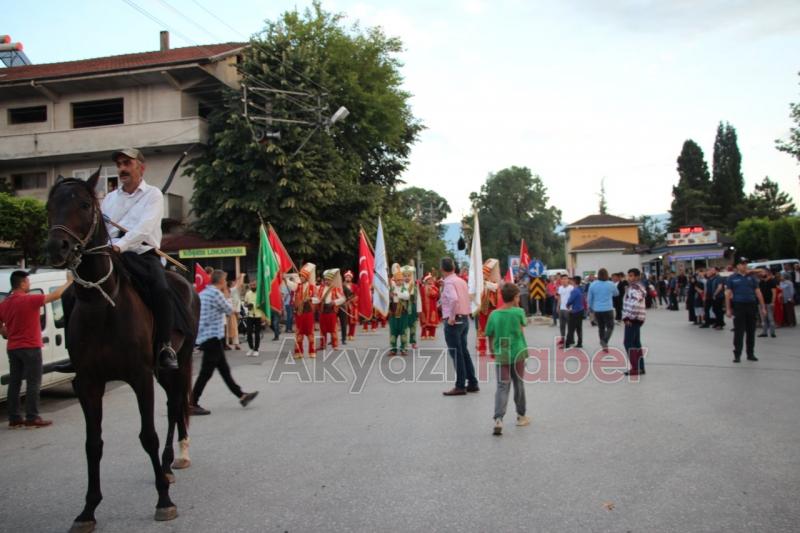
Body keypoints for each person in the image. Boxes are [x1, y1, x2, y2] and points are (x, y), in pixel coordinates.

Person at [104, 148, 177, 369]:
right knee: (73, 292)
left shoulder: (153, 195)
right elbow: (103, 229)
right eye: (119, 164)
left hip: (143, 255)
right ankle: (77, 349)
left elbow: (144, 229)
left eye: (127, 163)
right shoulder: (109, 199)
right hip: (110, 254)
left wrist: (120, 245)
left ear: (141, 168)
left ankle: (165, 345)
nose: (122, 169)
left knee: (162, 290)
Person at [0, 271, 72, 428]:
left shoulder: (5, 303)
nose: (29, 284)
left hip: (13, 348)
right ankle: (32, 417)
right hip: (31, 347)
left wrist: (4, 331)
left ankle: (14, 418)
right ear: (22, 283)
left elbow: (1, 326)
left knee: (14, 382)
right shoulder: (29, 300)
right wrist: (69, 282)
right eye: (28, 282)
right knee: (33, 382)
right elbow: (56, 295)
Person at [189, 270, 258, 416]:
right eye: (225, 280)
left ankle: (241, 395)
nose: (226, 283)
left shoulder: (204, 293)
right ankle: (192, 403)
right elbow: (229, 310)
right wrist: (227, 294)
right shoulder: (216, 294)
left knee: (224, 370)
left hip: (208, 336)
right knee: (206, 372)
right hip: (213, 337)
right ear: (220, 281)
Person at [485, 282, 530, 436]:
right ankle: (521, 416)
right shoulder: (519, 312)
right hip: (518, 351)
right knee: (519, 384)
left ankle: (498, 418)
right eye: (518, 297)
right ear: (515, 297)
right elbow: (521, 330)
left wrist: (492, 349)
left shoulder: (494, 314)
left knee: (502, 386)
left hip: (502, 351)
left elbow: (490, 334)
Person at [440, 257, 479, 396]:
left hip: (454, 320)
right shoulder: (461, 281)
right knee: (463, 351)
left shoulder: (449, 282)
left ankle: (460, 385)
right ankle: (472, 382)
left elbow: (454, 299)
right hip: (464, 319)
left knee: (456, 353)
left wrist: (451, 317)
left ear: (442, 269)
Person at [725, 259, 766, 363]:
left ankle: (750, 354)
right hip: (739, 306)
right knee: (739, 331)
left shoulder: (752, 277)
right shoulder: (732, 278)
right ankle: (737, 354)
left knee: (751, 331)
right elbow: (728, 294)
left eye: (745, 264)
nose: (744, 266)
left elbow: (758, 292)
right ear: (737, 266)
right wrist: (728, 309)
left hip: (751, 305)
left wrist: (763, 307)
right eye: (742, 264)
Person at [622, 268, 647, 376]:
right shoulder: (638, 287)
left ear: (637, 277)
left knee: (628, 343)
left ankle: (635, 367)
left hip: (632, 318)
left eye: (631, 276)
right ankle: (640, 367)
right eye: (629, 275)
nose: (629, 278)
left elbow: (635, 304)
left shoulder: (634, 288)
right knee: (636, 343)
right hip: (638, 318)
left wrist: (628, 317)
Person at [587, 268, 618, 351]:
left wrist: (590, 307)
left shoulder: (593, 284)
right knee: (610, 326)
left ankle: (604, 345)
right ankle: (605, 340)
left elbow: (589, 298)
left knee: (601, 327)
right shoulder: (611, 284)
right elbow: (616, 293)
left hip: (597, 309)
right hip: (608, 308)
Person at [291, 263, 318, 358]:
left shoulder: (312, 287)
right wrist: (285, 279)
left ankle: (312, 351)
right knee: (299, 333)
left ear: (306, 277)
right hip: (299, 313)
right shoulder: (297, 286)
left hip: (308, 312)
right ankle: (298, 352)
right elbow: (291, 285)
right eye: (300, 276)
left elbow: (317, 299)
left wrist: (310, 299)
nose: (301, 278)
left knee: (310, 332)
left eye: (303, 276)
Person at [477, 259, 501, 357]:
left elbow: (495, 287)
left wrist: (485, 283)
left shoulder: (493, 282)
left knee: (493, 330)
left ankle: (494, 349)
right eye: (483, 273)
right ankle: (482, 349)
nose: (484, 275)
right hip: (483, 309)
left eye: (485, 273)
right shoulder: (481, 283)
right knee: (481, 329)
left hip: (493, 309)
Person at [317, 269, 346, 351]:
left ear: (332, 280)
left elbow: (343, 298)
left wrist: (334, 302)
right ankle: (322, 345)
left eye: (329, 280)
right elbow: (316, 297)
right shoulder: (320, 288)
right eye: (326, 279)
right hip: (323, 311)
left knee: (333, 329)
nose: (327, 281)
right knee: (322, 330)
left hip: (331, 311)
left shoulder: (335, 289)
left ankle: (335, 345)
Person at [388, 264, 410, 356]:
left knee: (403, 331)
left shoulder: (404, 288)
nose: (399, 281)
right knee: (393, 331)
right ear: (395, 280)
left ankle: (403, 348)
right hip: (393, 313)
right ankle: (393, 349)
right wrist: (390, 295)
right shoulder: (391, 288)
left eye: (401, 280)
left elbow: (406, 296)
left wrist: (396, 294)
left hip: (403, 314)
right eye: (397, 280)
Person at [243, 280, 265, 357]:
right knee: (249, 332)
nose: (253, 286)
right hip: (250, 316)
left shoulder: (260, 294)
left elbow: (264, 303)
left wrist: (260, 305)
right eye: (251, 285)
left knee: (257, 333)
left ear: (257, 285)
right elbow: (245, 303)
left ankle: (256, 349)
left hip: (258, 316)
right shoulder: (248, 293)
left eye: (254, 285)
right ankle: (251, 348)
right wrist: (247, 305)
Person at [565, 276, 584, 348]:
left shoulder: (574, 290)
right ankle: (580, 342)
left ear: (574, 282)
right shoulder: (580, 289)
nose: (570, 282)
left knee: (571, 328)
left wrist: (567, 305)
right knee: (579, 327)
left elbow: (570, 300)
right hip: (581, 310)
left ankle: (567, 343)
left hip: (575, 311)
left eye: (572, 281)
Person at [758, 268, 778, 338]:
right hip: (761, 303)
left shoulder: (772, 281)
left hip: (769, 302)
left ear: (767, 273)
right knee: (763, 318)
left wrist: (773, 302)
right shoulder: (761, 282)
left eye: (763, 272)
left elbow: (774, 293)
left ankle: (772, 333)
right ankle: (764, 332)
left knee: (770, 318)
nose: (761, 273)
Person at [419, 274, 441, 339]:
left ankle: (432, 334)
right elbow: (419, 296)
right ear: (425, 280)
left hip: (432, 307)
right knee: (424, 320)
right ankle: (423, 334)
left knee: (432, 320)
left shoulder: (434, 287)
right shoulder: (422, 288)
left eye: (431, 279)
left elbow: (436, 295)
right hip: (423, 307)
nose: (430, 281)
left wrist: (431, 290)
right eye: (428, 279)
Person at [225, 276, 243, 350]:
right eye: (233, 283)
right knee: (228, 329)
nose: (234, 284)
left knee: (233, 329)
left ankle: (234, 344)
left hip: (233, 312)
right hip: (229, 313)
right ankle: (229, 344)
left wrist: (237, 279)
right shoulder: (232, 290)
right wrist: (242, 276)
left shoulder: (231, 291)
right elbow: (239, 284)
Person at [556, 274, 572, 346]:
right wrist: (557, 307)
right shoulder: (560, 288)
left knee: (570, 326)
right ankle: (563, 339)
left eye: (566, 279)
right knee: (562, 326)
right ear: (561, 280)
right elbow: (559, 298)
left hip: (568, 309)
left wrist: (571, 308)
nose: (564, 280)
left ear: (568, 280)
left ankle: (570, 340)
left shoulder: (571, 288)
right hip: (561, 309)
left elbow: (572, 298)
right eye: (563, 279)